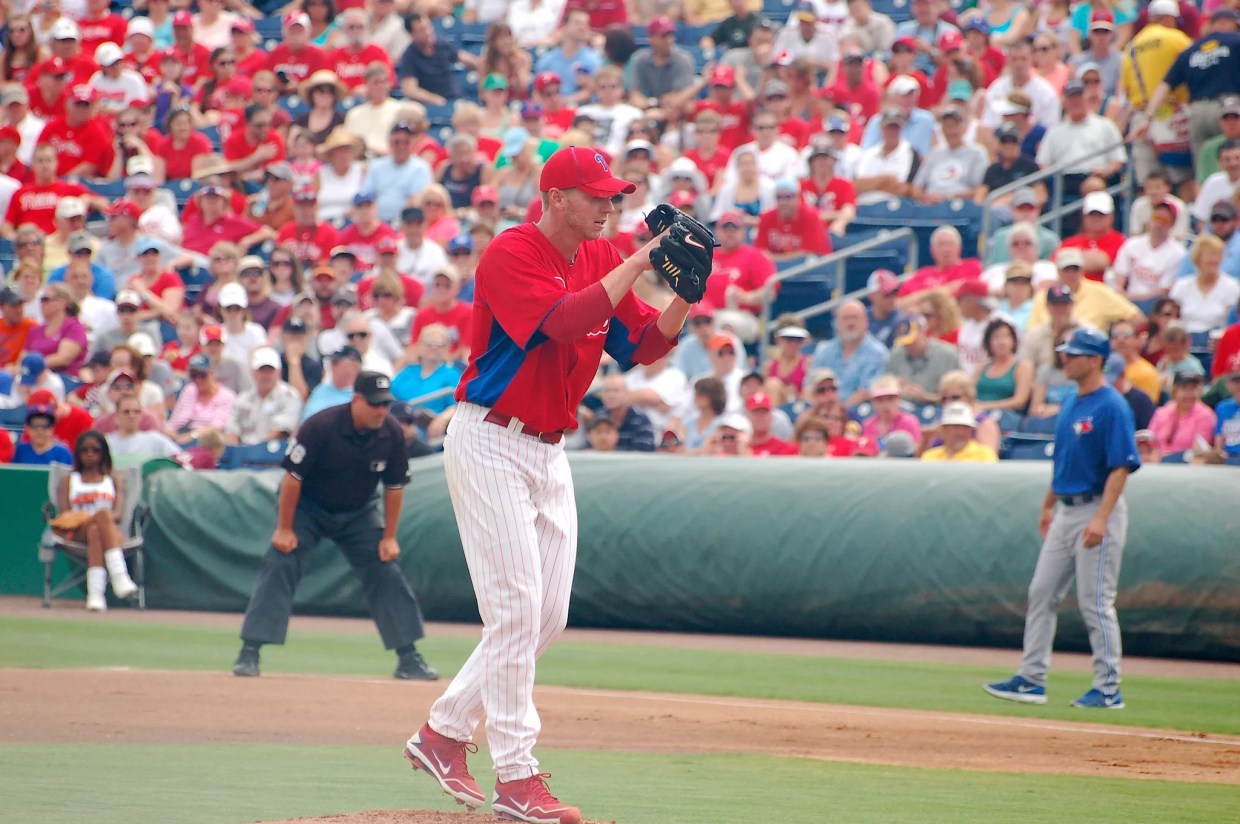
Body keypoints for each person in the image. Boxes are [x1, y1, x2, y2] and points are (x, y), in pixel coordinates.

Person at [405, 146, 690, 823]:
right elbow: (562, 322)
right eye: (597, 196)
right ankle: (517, 776)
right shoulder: (511, 252)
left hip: (547, 450)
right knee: (514, 613)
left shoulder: (602, 254)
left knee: (546, 618)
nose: (610, 206)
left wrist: (685, 293)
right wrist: (643, 259)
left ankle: (443, 732)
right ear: (556, 198)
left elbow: (645, 346)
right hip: (491, 438)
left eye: (615, 196)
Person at [232, 370, 436, 680]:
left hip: (358, 512)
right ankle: (250, 651)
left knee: (385, 568)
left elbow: (395, 488)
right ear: (356, 400)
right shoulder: (321, 426)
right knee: (280, 562)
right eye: (375, 404)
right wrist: (284, 528)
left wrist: (389, 537)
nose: (381, 410)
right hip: (308, 507)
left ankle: (409, 658)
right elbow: (291, 480)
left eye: (385, 404)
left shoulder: (391, 433)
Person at [985, 327, 1139, 710]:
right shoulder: (1071, 402)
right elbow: (1064, 461)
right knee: (1041, 592)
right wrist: (1047, 504)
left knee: (1095, 602)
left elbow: (1120, 467)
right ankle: (1031, 679)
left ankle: (1108, 687)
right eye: (1065, 353)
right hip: (1067, 508)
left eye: (1073, 354)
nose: (1065, 359)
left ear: (1095, 360)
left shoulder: (1112, 405)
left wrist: (1101, 518)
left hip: (1096, 508)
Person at [52, 431, 139, 611]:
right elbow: (66, 516)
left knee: (98, 528)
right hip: (77, 532)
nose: (90, 454)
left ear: (103, 453)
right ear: (78, 453)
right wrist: (92, 518)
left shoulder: (114, 480)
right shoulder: (68, 481)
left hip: (110, 533)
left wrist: (99, 518)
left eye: (95, 450)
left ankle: (96, 595)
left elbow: (118, 515)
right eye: (84, 450)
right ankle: (119, 575)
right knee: (100, 518)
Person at [810, 299, 891, 407]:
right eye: (846, 318)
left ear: (866, 321)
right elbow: (809, 386)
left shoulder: (879, 354)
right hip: (822, 410)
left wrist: (839, 411)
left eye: (855, 317)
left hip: (858, 414)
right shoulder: (824, 351)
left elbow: (866, 391)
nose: (850, 323)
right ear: (837, 323)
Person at [1148, 365, 1216, 457]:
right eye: (1185, 389)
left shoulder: (1206, 415)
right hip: (1157, 463)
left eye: (1193, 388)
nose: (1189, 394)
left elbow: (1198, 451)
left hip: (1187, 465)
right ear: (1174, 391)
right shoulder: (1161, 413)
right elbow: (1150, 442)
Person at [919, 402, 998, 462]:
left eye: (965, 427)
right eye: (955, 427)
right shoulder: (930, 456)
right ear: (944, 430)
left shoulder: (985, 455)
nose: (960, 432)